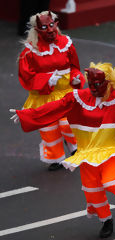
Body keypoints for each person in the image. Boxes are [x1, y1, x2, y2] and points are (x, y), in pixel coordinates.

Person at [10, 62, 115, 238]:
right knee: (93, 192)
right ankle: (107, 221)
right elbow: (54, 108)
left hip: (109, 150)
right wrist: (27, 115)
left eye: (97, 84)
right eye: (90, 83)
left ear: (108, 82)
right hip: (85, 153)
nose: (92, 87)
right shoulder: (78, 98)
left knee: (111, 182)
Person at [17, 11, 85, 171]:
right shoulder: (30, 51)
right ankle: (56, 158)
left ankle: (76, 148)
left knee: (68, 123)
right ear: (37, 30)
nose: (50, 31)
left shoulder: (66, 43)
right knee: (50, 129)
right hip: (45, 96)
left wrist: (76, 77)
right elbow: (26, 76)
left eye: (52, 26)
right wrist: (46, 79)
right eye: (45, 28)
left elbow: (74, 67)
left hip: (66, 93)